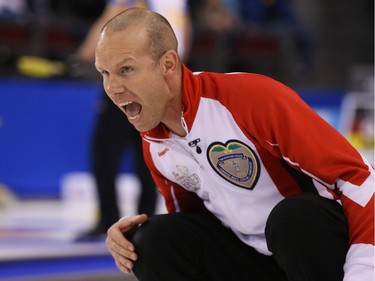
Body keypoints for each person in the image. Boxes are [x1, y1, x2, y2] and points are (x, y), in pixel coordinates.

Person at [95, 8, 374, 281]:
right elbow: (192, 224)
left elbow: (358, 179)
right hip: (258, 259)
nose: (113, 88)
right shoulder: (155, 143)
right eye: (105, 73)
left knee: (294, 219)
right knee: (150, 241)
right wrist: (126, 242)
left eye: (126, 69)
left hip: (321, 250)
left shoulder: (250, 99)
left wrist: (363, 269)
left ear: (168, 64)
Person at [74, 0, 192, 239]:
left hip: (130, 79)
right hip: (160, 78)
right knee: (148, 148)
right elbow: (185, 30)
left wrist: (82, 56)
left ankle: (110, 218)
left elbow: (112, 19)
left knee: (105, 152)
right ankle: (145, 220)